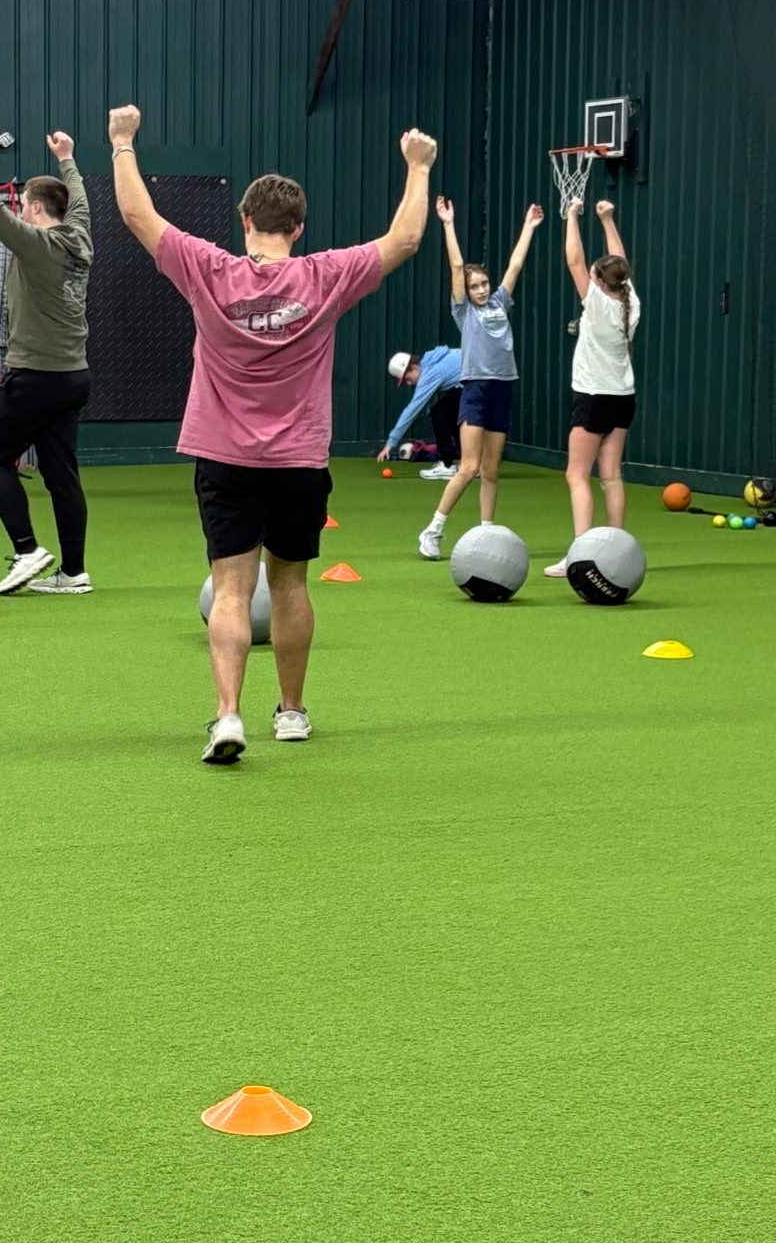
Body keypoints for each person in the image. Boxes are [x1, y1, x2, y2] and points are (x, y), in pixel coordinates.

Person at [108, 103, 438, 765]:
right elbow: (403, 240)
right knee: (289, 586)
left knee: (231, 589)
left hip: (224, 459)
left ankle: (227, 717)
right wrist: (418, 167)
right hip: (298, 463)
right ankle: (290, 713)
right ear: (300, 228)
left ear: (246, 221)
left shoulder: (209, 270)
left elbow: (139, 217)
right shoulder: (325, 276)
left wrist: (122, 143)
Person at [0, 120, 94, 594]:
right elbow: (81, 203)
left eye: (22, 205)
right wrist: (67, 158)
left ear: (33, 208)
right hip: (74, 377)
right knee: (60, 473)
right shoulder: (80, 237)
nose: (18, 212)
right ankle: (73, 573)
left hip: (35, 377)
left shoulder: (38, 243)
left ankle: (27, 551)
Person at [417, 195, 542, 560]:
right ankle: (434, 529)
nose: (482, 289)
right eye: (476, 286)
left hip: (503, 387)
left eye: (484, 283)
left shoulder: (500, 302)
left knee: (490, 469)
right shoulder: (465, 313)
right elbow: (456, 266)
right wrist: (447, 224)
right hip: (475, 389)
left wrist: (529, 228)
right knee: (469, 466)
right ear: (466, 292)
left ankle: (486, 532)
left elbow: (516, 264)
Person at [544, 197, 641, 578]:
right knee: (612, 475)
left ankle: (580, 555)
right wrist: (607, 218)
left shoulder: (597, 303)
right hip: (623, 398)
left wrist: (571, 215)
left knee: (576, 474)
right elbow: (619, 261)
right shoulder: (630, 298)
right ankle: (618, 552)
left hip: (594, 397)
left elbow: (573, 261)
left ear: (599, 282)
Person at [378, 346, 462, 479]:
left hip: (476, 382)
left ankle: (448, 465)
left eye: (407, 378)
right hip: (477, 380)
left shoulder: (429, 375)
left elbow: (411, 411)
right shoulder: (431, 362)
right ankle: (467, 463)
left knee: (440, 414)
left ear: (414, 368)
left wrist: (390, 443)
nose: (408, 383)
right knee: (449, 414)